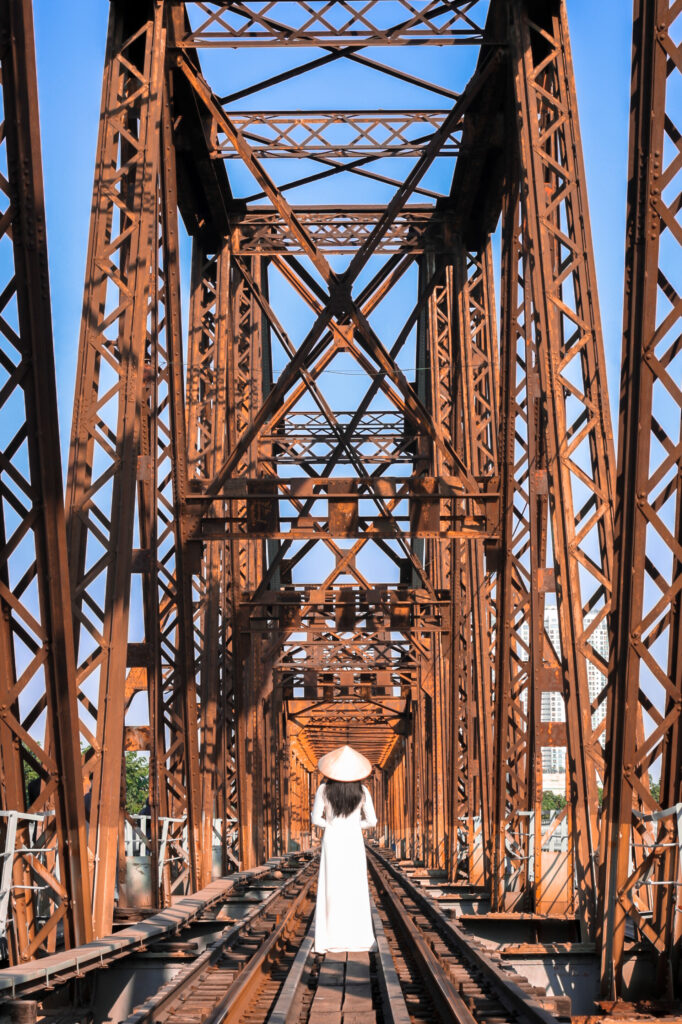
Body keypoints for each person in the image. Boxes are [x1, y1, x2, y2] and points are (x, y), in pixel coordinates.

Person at [311, 744, 377, 955]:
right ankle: (358, 937)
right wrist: (355, 825)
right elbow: (372, 821)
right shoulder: (362, 790)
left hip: (332, 840)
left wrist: (331, 825)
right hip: (353, 840)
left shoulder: (324, 789)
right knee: (355, 886)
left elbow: (315, 819)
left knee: (332, 886)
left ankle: (330, 937)